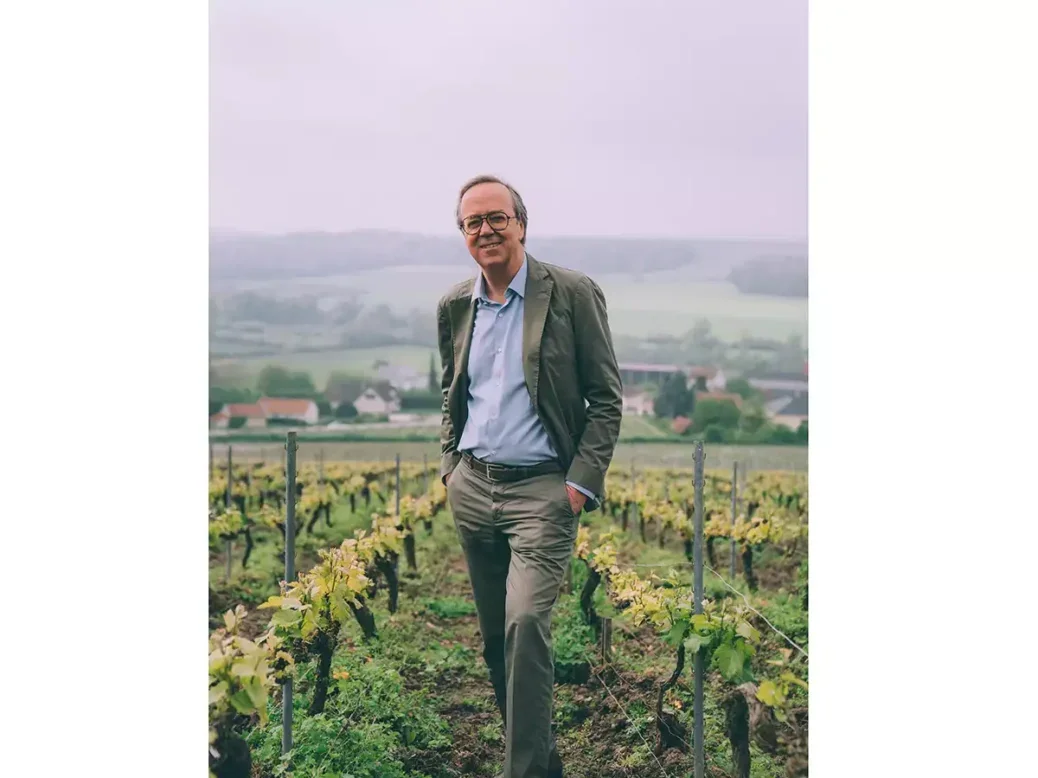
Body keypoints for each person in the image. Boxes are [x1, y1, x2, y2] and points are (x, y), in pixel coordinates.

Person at [436, 174, 623, 778]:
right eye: (473, 222)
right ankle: (540, 762)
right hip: (473, 487)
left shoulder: (570, 292)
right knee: (496, 639)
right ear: (463, 233)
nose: (486, 230)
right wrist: (450, 466)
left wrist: (579, 484)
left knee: (525, 624)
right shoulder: (455, 305)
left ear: (521, 223)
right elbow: (452, 391)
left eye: (497, 217)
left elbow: (606, 398)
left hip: (543, 491)